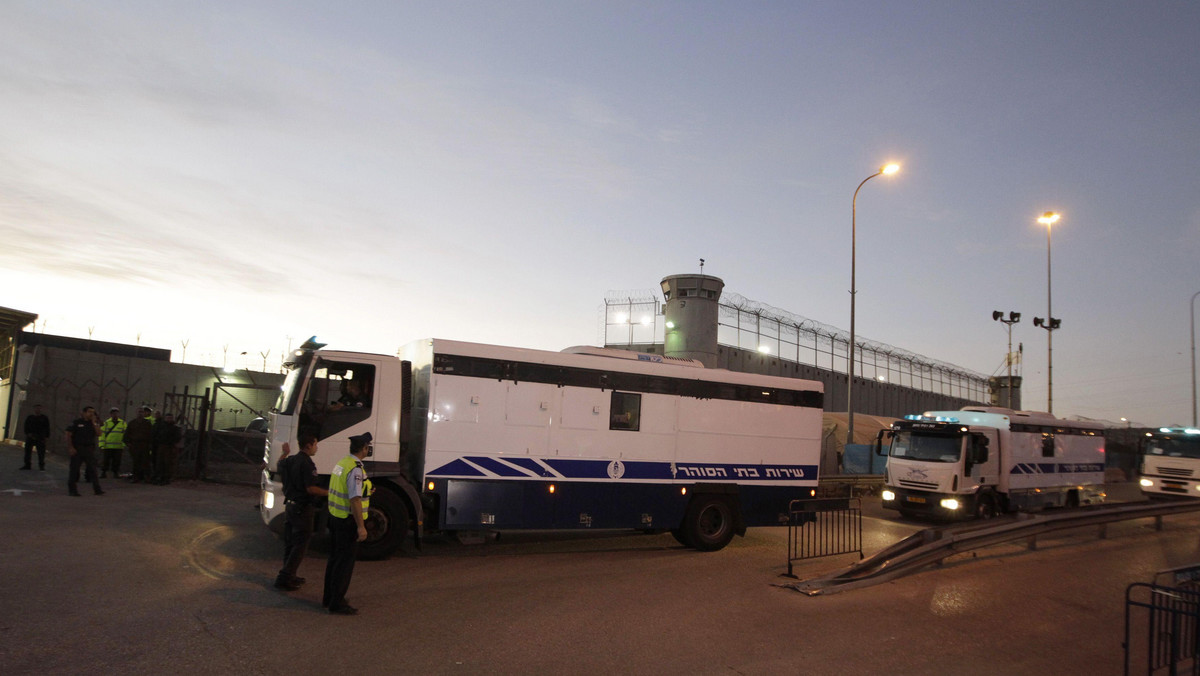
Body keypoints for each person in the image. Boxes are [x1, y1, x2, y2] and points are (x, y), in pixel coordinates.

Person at [323, 432, 373, 615]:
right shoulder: (356, 469)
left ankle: (328, 598)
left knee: (335, 560)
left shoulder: (342, 463)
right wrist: (361, 526)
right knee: (344, 564)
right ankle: (337, 603)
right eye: (368, 447)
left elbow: (343, 488)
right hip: (347, 522)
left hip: (335, 517)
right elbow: (354, 499)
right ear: (363, 449)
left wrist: (369, 490)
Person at [275, 433, 329, 591]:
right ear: (309, 445)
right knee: (301, 545)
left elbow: (279, 464)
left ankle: (289, 574)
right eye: (315, 444)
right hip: (302, 509)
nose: (317, 448)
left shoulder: (291, 460)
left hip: (290, 507)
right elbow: (311, 488)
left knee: (290, 543)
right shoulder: (307, 464)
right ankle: (284, 578)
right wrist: (330, 493)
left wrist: (285, 452)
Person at [65, 406, 104, 496]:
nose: (91, 414)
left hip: (89, 449)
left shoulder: (93, 423)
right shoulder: (76, 422)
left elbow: (99, 434)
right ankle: (72, 490)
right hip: (78, 448)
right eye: (89, 412)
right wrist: (70, 447)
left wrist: (94, 423)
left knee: (93, 470)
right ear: (83, 413)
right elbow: (68, 434)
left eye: (93, 412)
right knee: (74, 470)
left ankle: (97, 489)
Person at [124, 406, 154, 483]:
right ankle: (136, 477)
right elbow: (127, 434)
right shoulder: (132, 423)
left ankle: (146, 477)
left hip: (144, 445)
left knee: (145, 462)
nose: (140, 413)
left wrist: (150, 444)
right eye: (139, 412)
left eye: (142, 412)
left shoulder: (147, 423)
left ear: (144, 413)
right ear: (136, 413)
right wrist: (128, 444)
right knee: (136, 462)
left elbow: (151, 434)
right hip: (135, 445)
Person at [151, 412, 182, 485]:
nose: (169, 419)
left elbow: (177, 437)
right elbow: (155, 434)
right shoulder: (161, 427)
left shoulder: (174, 428)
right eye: (167, 418)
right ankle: (159, 477)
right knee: (160, 462)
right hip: (161, 446)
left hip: (169, 447)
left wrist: (171, 442)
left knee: (167, 463)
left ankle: (166, 478)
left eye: (170, 418)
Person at [99, 407, 127, 478]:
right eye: (113, 413)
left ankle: (115, 472)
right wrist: (102, 445)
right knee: (106, 461)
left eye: (116, 413)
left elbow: (125, 435)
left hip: (118, 446)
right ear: (111, 414)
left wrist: (124, 445)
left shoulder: (123, 423)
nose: (115, 415)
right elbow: (102, 435)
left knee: (117, 461)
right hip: (108, 446)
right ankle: (104, 472)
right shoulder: (106, 423)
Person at [22, 403, 51, 471]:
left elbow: (47, 427)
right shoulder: (30, 417)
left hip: (40, 437)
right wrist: (28, 433)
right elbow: (26, 426)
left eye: (39, 408)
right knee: (27, 452)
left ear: (41, 409)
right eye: (36, 408)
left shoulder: (44, 418)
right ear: (34, 409)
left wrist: (46, 436)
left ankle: (41, 466)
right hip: (31, 436)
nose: (38, 410)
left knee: (41, 453)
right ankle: (27, 465)